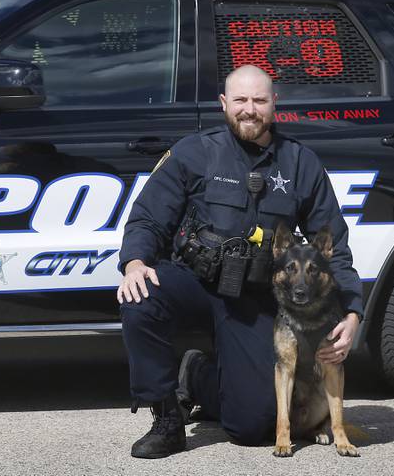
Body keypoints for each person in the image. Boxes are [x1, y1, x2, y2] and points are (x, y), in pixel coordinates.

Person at [117, 64, 363, 458]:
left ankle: (198, 376)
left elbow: (335, 248)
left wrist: (352, 313)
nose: (250, 109)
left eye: (260, 100)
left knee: (251, 426)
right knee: (140, 297)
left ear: (274, 104)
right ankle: (166, 416)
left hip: (252, 299)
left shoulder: (300, 164)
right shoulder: (194, 151)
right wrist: (134, 263)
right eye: (241, 100)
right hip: (192, 280)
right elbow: (148, 217)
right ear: (224, 103)